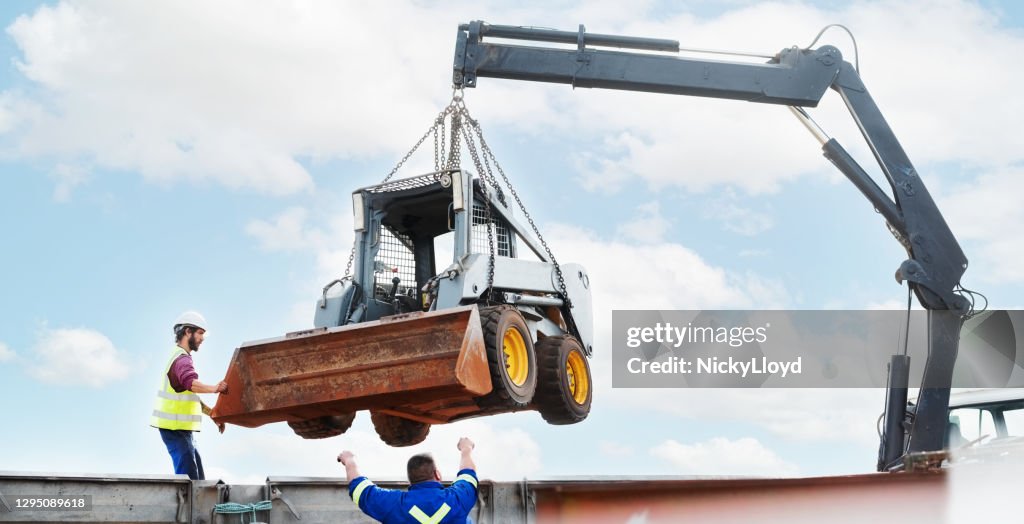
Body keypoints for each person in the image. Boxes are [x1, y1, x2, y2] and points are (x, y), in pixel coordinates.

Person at [149, 311, 229, 480]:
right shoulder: (182, 360)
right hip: (175, 428)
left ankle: (194, 504)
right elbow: (190, 383)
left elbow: (189, 396)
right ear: (187, 332)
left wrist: (212, 413)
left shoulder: (178, 357)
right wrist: (215, 388)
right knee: (189, 477)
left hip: (179, 429)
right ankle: (188, 506)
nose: (203, 338)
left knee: (196, 473)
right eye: (200, 333)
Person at [338, 437, 478, 523]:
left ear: (411, 481)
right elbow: (467, 474)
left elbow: (360, 489)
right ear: (437, 474)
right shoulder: (458, 498)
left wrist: (350, 460)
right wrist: (466, 448)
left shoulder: (394, 503)